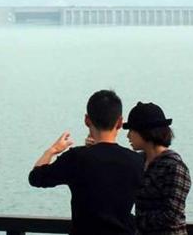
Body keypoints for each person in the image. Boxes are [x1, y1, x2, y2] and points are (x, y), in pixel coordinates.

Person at [29, 90, 144, 235]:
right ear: (120, 122)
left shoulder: (76, 158)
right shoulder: (136, 161)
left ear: (87, 120)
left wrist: (52, 150)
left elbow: (36, 177)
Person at [123, 102, 191, 235]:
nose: (128, 136)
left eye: (132, 130)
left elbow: (171, 214)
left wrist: (134, 221)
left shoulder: (174, 166)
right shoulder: (138, 161)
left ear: (145, 132)